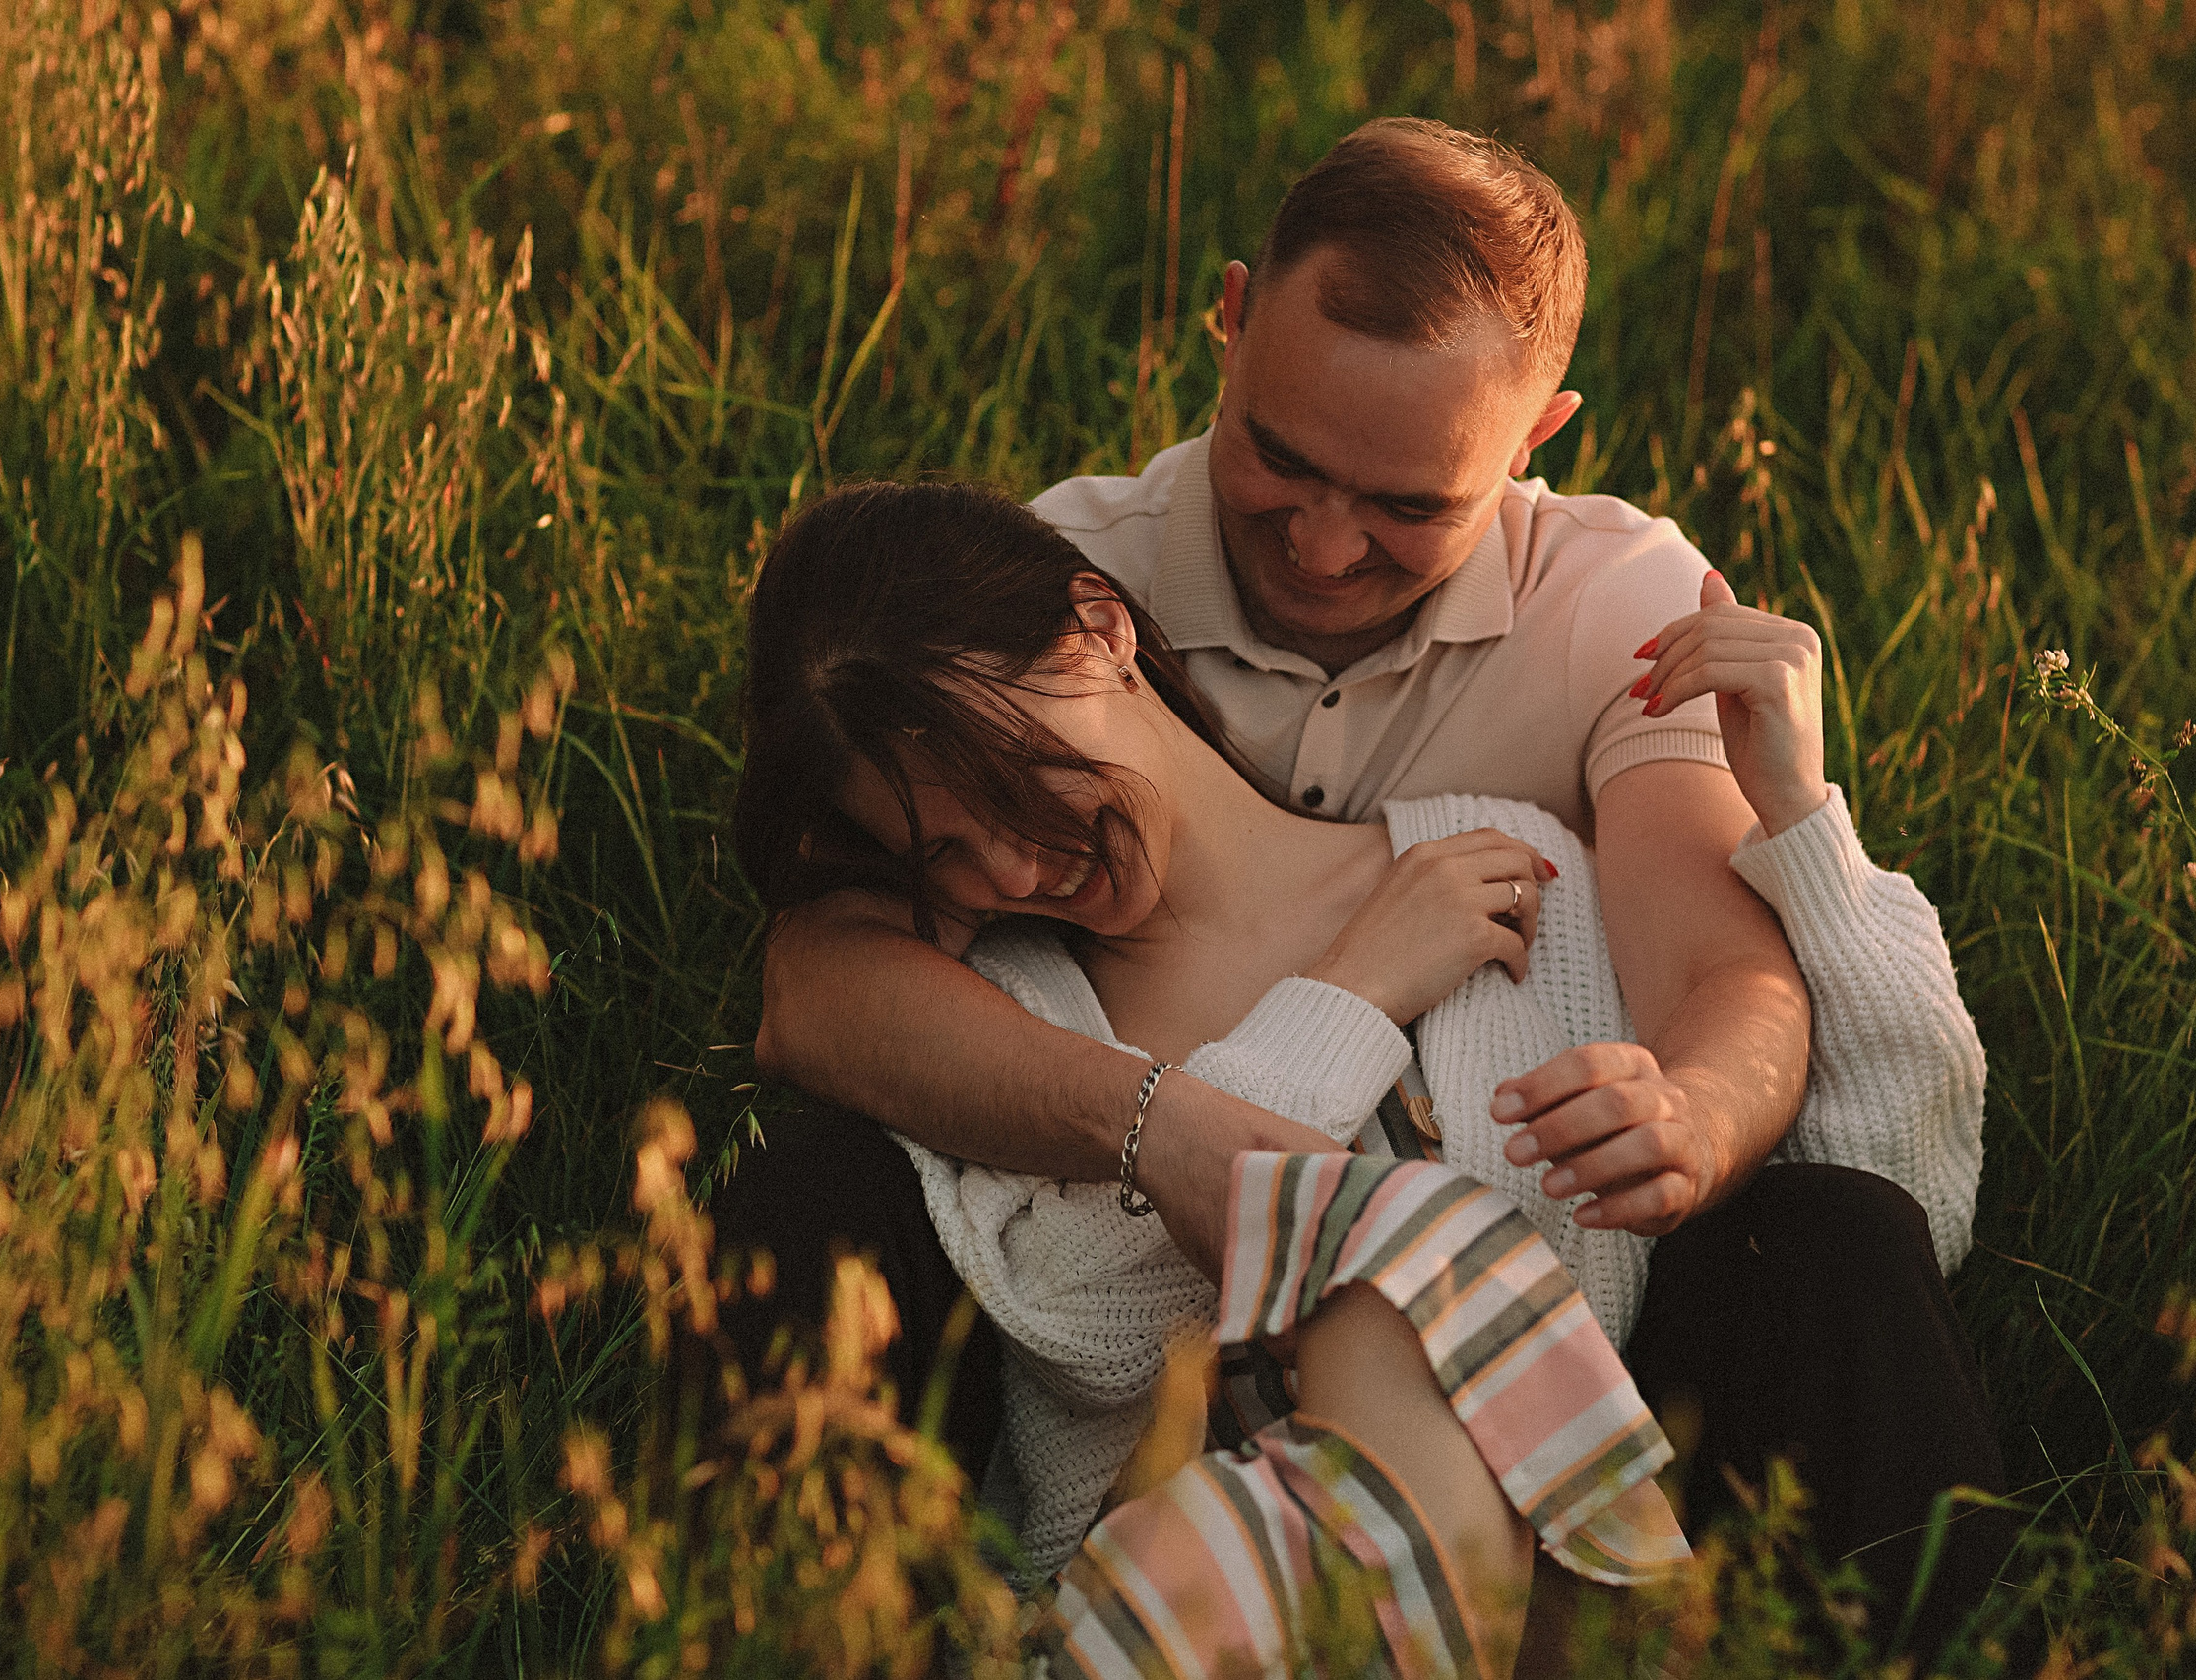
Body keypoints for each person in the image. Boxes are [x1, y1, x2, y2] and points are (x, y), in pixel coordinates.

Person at [722, 118, 2012, 1652]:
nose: (1324, 547)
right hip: (1192, 1467)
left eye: (1409, 506)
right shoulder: (1034, 594)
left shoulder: (1618, 619)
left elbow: (1727, 980)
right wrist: (1194, 1111)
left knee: (1831, 1247)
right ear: (1232, 313)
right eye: (1278, 457)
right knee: (818, 1183)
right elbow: (819, 987)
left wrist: (1698, 1115)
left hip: (1547, 1414)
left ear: (1539, 433)